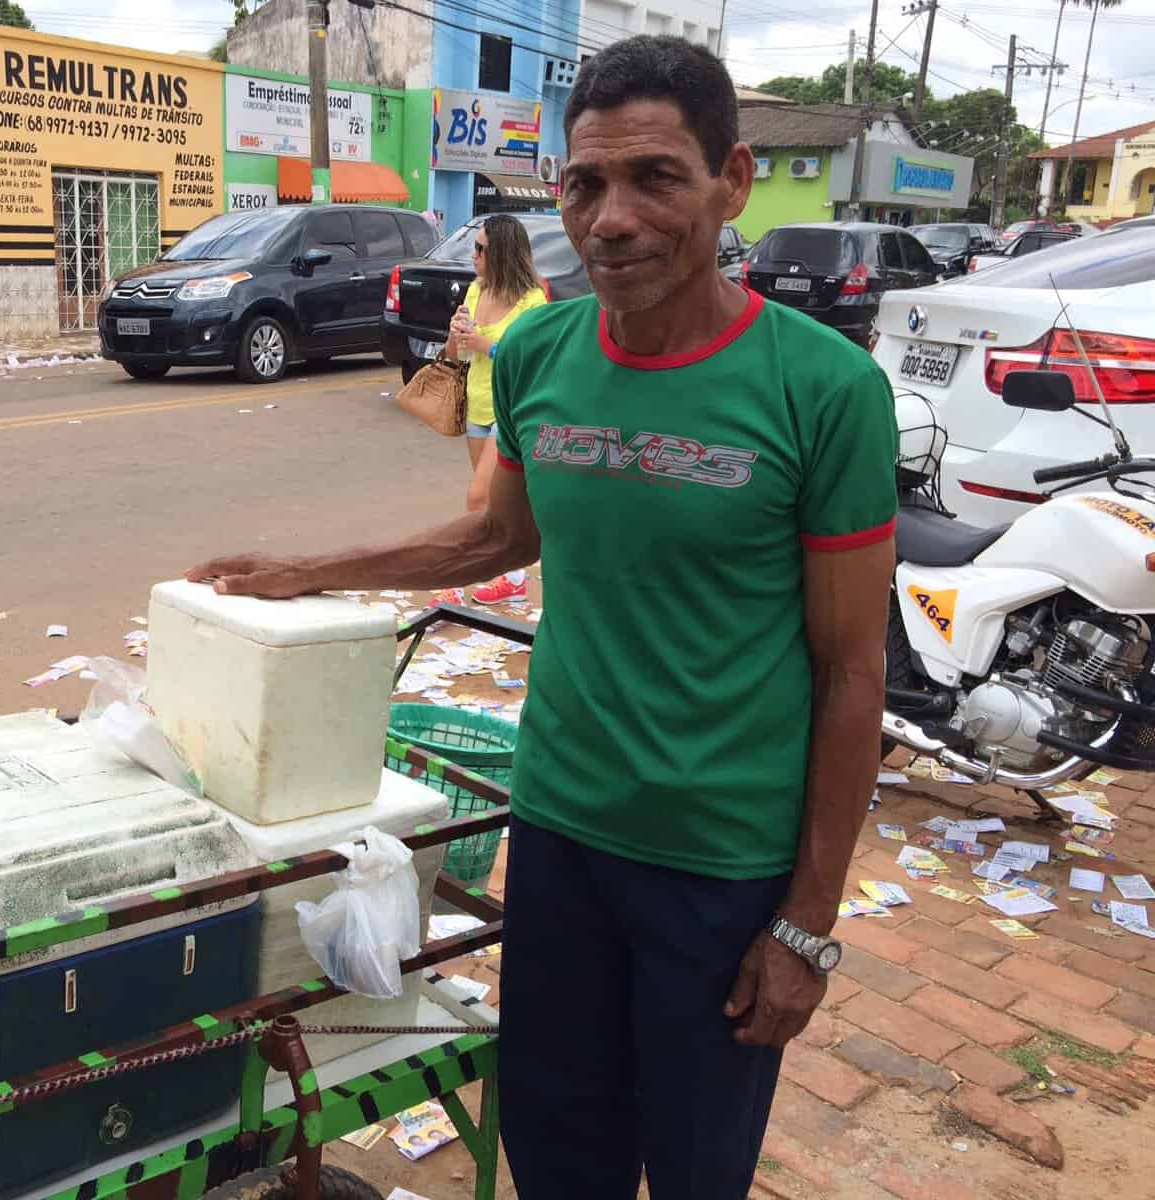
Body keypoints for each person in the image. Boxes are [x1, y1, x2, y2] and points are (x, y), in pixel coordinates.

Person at [187, 35, 896, 1200]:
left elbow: (852, 670)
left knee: (694, 1167)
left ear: (732, 181)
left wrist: (806, 926)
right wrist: (305, 571)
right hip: (561, 833)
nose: (611, 219)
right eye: (585, 184)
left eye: (655, 178)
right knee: (556, 1150)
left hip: (720, 867)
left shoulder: (825, 390)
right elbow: (495, 539)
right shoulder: (538, 356)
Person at [434, 214, 546, 607]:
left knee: (477, 498)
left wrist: (486, 345)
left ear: (503, 254)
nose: (474, 255)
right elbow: (456, 355)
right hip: (477, 404)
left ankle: (458, 582)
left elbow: (532, 358)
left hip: (510, 409)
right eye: (475, 247)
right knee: (500, 502)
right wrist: (456, 334)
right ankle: (513, 579)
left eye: (481, 249)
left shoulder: (532, 301)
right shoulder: (476, 291)